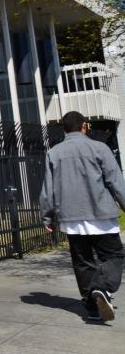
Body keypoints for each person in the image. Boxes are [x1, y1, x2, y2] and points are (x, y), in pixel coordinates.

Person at [41, 110, 125, 322]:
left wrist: (47, 216)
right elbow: (116, 181)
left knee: (83, 261)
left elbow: (48, 190)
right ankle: (102, 288)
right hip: (100, 214)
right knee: (114, 255)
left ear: (64, 129)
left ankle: (93, 308)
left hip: (71, 218)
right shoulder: (99, 148)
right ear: (84, 126)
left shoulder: (54, 153)